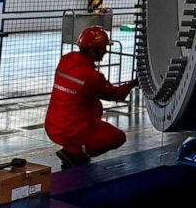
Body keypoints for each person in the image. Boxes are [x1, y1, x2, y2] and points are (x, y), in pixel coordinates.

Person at [45, 26, 138, 169]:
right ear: (93, 50)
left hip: (53, 125)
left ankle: (74, 148)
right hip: (70, 130)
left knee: (94, 106)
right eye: (103, 48)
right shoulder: (92, 77)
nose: (106, 51)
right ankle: (74, 153)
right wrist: (133, 83)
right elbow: (117, 94)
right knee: (117, 137)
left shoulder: (66, 60)